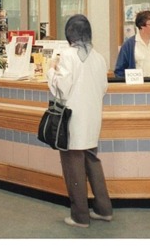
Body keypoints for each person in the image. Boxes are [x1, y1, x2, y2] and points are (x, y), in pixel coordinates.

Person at [47, 14, 112, 228]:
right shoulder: (99, 57)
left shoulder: (67, 55)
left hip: (72, 120)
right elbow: (103, 88)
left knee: (73, 166)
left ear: (69, 34)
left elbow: (62, 89)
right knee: (92, 161)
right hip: (93, 118)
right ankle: (103, 210)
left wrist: (51, 71)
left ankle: (80, 216)